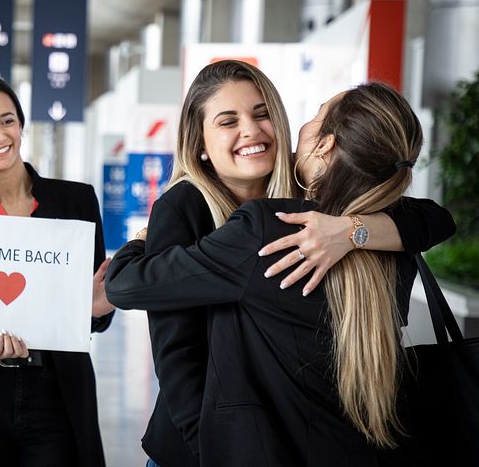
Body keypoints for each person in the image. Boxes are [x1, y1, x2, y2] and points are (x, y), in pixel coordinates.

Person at [105, 81, 456, 466]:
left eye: (316, 116)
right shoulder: (393, 241)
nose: (252, 131)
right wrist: (355, 232)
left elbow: (125, 283)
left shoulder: (266, 229)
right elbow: (438, 219)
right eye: (228, 121)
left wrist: (142, 239)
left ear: (325, 145)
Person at [0, 75, 114, 467]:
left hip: (57, 390)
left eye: (7, 121)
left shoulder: (76, 201)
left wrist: (97, 310)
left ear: (21, 125)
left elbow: (95, 310)